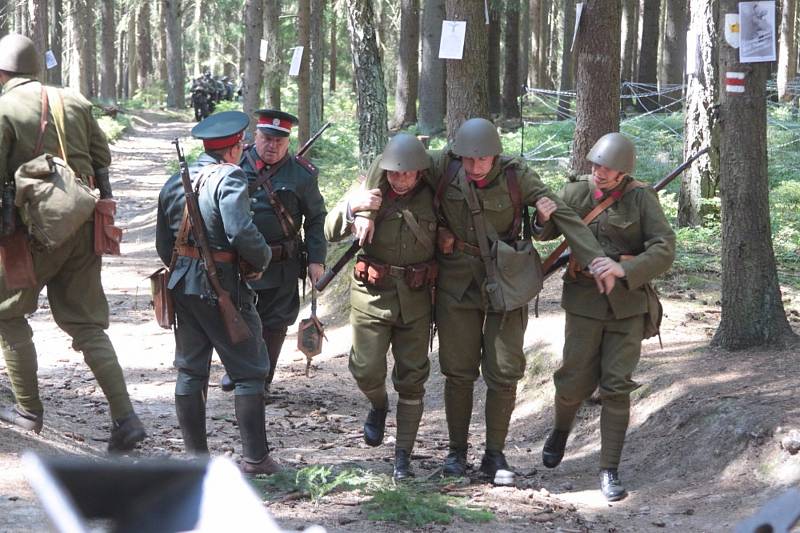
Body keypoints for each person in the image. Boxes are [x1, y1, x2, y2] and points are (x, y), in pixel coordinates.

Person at [359, 118, 612, 485]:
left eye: (484, 160)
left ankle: (495, 454)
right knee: (458, 370)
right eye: (469, 160)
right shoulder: (444, 165)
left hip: (505, 282)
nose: (476, 167)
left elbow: (564, 216)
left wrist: (594, 258)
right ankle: (457, 452)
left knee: (504, 370)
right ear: (457, 155)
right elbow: (393, 162)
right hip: (456, 283)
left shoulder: (517, 176)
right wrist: (366, 209)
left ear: (497, 154)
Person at [0, 33, 146, 452]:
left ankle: (29, 411)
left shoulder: (5, 108)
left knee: (8, 314)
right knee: (86, 324)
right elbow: (102, 158)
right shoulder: (75, 100)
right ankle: (126, 418)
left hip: (27, 232)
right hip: (82, 225)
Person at [536, 132, 675, 501]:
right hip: (583, 302)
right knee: (571, 381)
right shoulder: (575, 192)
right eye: (596, 164)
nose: (599, 172)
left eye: (608, 168)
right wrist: (541, 217)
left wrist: (623, 269)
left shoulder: (642, 198)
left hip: (628, 305)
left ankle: (609, 469)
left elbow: (664, 249)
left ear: (623, 172)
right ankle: (561, 431)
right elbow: (546, 232)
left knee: (617, 386)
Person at [155, 110, 280, 474]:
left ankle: (196, 461)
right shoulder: (231, 177)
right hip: (222, 286)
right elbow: (240, 231)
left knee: (191, 371)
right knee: (249, 372)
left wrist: (186, 269)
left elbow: (165, 245)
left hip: (183, 286)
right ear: (235, 147)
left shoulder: (174, 181)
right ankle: (256, 459)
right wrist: (263, 257)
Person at [324, 134, 436, 480]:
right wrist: (353, 208)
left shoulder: (436, 196)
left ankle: (403, 454)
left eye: (407, 174)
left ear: (419, 172)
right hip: (372, 293)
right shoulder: (368, 189)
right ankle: (378, 405)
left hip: (417, 298)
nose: (399, 180)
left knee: (413, 379)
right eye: (393, 173)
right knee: (365, 369)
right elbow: (330, 231)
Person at [220, 109, 327, 398]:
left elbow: (316, 217)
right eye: (267, 138)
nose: (272, 146)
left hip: (283, 262)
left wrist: (317, 259)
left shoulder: (301, 174)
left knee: (276, 322)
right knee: (238, 315)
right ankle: (239, 369)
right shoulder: (234, 163)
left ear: (288, 142)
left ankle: (261, 381)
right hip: (239, 261)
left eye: (279, 142)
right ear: (255, 136)